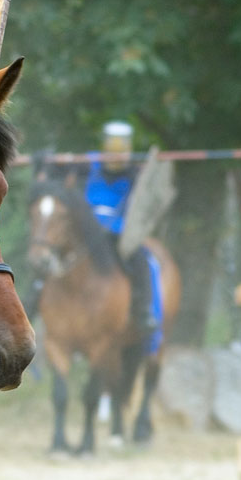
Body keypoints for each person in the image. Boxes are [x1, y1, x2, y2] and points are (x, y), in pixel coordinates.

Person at [83, 120, 158, 337]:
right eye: (112, 149)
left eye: (121, 150)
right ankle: (32, 301)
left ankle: (143, 311)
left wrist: (144, 175)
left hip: (118, 232)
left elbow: (145, 198)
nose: (116, 156)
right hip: (88, 229)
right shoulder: (89, 163)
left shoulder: (134, 173)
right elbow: (64, 167)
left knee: (140, 258)